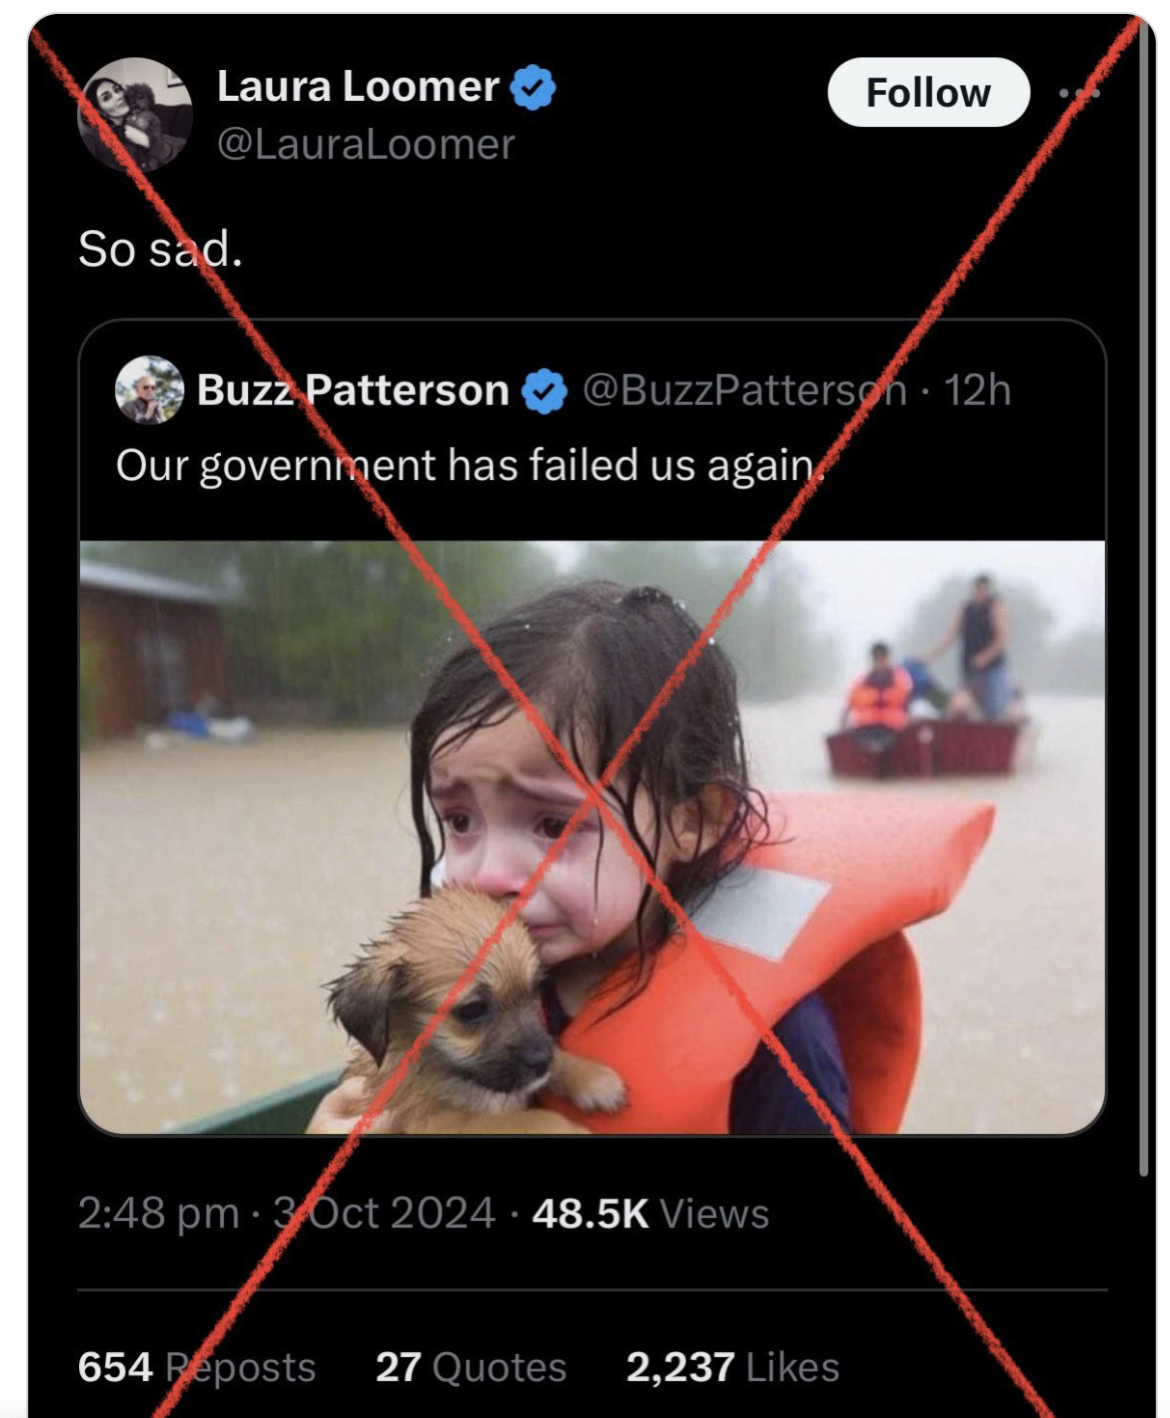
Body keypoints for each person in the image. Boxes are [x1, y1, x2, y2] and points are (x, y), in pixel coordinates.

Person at [309, 582, 852, 1135]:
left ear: (694, 821)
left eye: (552, 824)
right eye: (460, 821)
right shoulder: (454, 977)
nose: (491, 873)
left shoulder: (784, 1044)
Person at [923, 574, 1011, 720]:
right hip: (970, 668)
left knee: (994, 710)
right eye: (978, 588)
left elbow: (1002, 640)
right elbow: (950, 635)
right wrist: (931, 655)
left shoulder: (996, 607)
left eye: (984, 589)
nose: (981, 592)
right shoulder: (966, 609)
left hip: (993, 668)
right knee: (960, 708)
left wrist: (985, 657)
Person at [82, 76, 187, 173]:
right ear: (100, 111)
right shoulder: (93, 140)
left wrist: (148, 142)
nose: (119, 96)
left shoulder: (144, 121)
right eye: (106, 98)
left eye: (117, 89)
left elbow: (179, 145)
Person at [841, 642, 914, 750]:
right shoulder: (860, 682)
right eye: (876, 657)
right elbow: (848, 708)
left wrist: (909, 727)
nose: (879, 660)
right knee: (866, 741)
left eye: (882, 656)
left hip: (891, 730)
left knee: (887, 741)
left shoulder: (901, 680)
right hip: (864, 730)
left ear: (888, 658)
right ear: (872, 659)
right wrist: (842, 729)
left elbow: (908, 707)